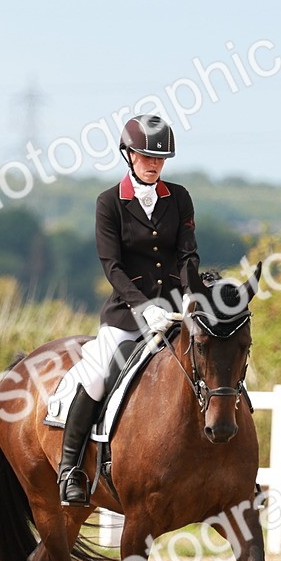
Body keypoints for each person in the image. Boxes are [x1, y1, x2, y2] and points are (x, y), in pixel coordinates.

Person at [57, 114, 201, 506]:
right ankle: (70, 469)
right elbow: (112, 265)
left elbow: (187, 253)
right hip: (127, 313)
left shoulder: (180, 197)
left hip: (174, 311)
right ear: (128, 154)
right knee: (99, 372)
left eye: (160, 158)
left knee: (212, 360)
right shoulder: (109, 202)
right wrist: (143, 307)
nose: (154, 164)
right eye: (146, 156)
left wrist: (190, 294)